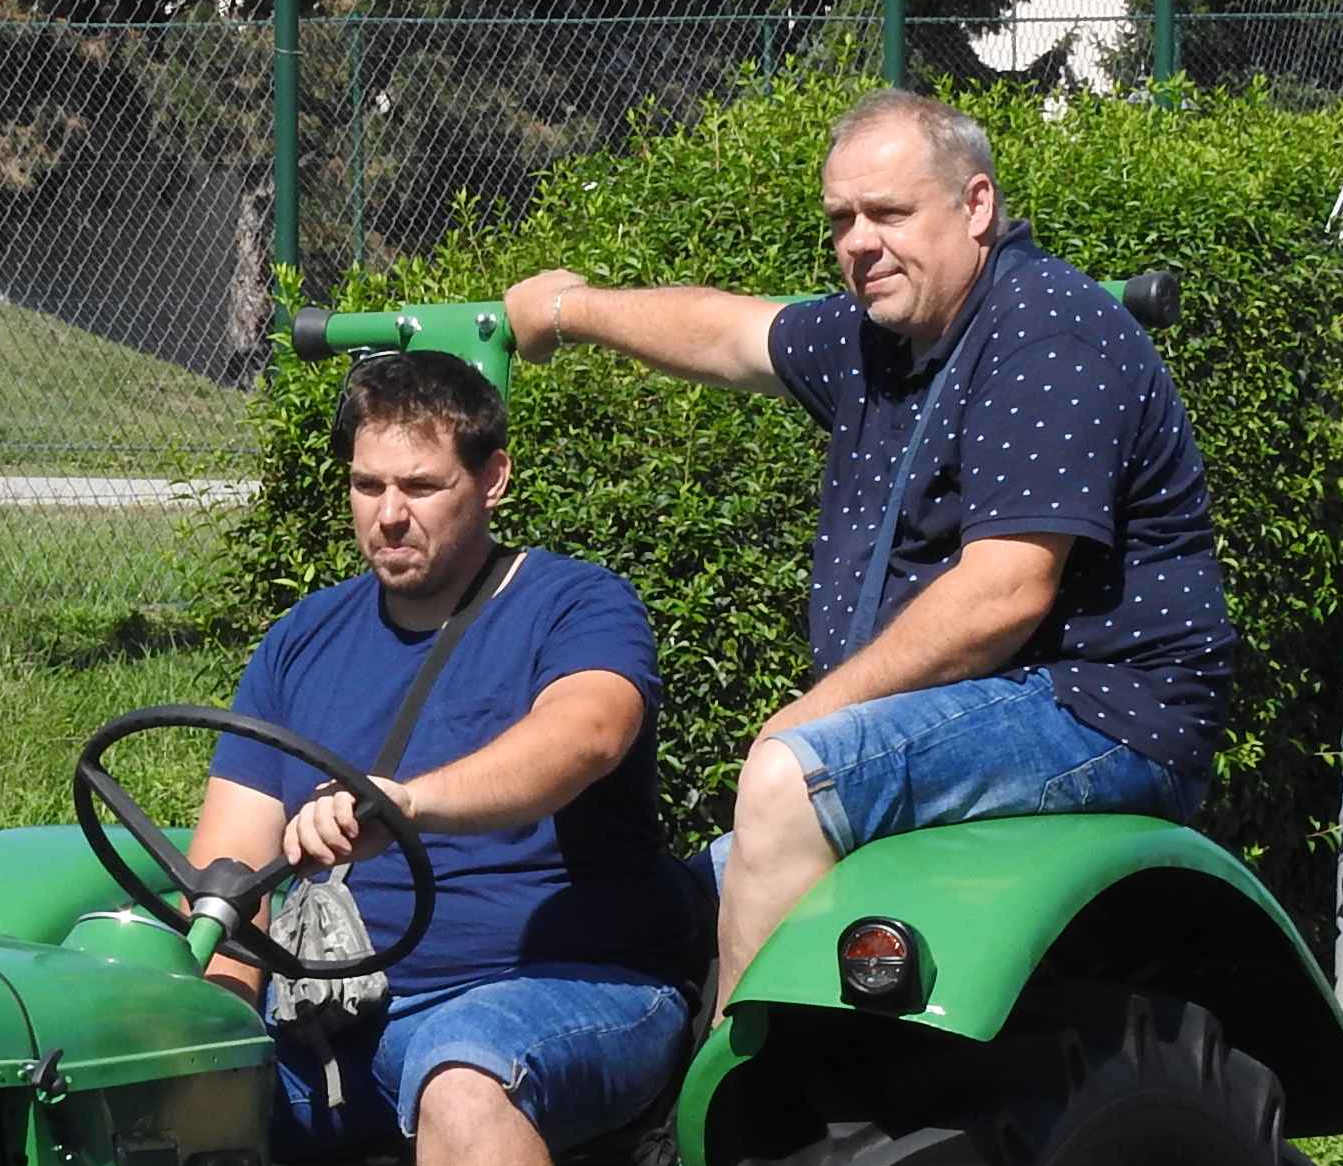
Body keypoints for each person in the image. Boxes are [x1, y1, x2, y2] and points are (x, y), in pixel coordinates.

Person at [504, 86, 1236, 1020]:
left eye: (889, 212)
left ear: (977, 206)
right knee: (684, 902)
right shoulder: (880, 337)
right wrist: (570, 308)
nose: (859, 240)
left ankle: (729, 1116)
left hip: (1102, 711)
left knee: (788, 780)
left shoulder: (1046, 330)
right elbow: (730, 334)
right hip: (992, 705)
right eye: (842, 218)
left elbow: (1004, 593)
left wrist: (804, 724)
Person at [186, 349, 701, 1166]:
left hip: (571, 993)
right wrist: (201, 1032)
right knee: (129, 1072)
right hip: (345, 1017)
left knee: (466, 1070)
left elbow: (579, 740)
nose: (389, 514)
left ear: (495, 478)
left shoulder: (574, 606)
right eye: (367, 487)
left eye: (421, 484)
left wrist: (401, 802)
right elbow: (226, 875)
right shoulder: (304, 643)